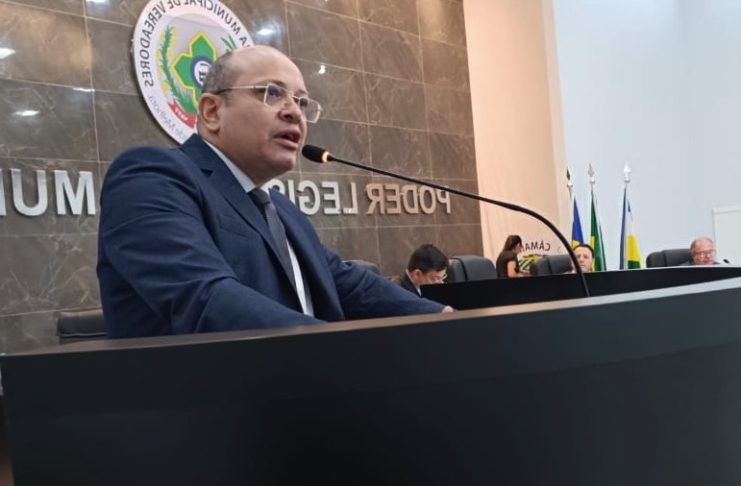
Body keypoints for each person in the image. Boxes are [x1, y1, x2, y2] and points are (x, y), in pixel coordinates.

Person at [97, 46, 450, 338]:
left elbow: (344, 281)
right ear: (212, 111)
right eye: (273, 93)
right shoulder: (152, 176)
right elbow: (205, 298)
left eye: (302, 102)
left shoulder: (279, 207)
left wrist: (442, 318)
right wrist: (343, 353)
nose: (294, 112)